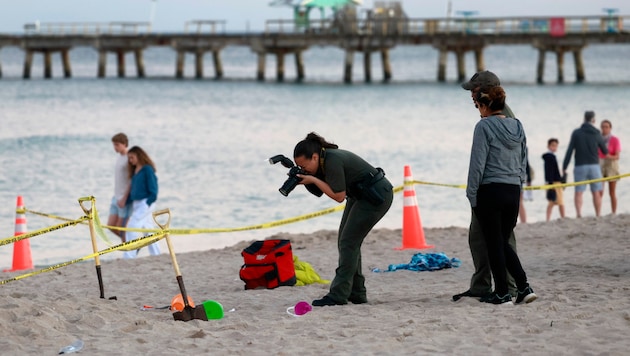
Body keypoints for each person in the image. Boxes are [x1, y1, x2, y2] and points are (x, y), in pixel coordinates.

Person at [291, 132, 393, 306]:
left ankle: (338, 295)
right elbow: (321, 191)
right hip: (359, 196)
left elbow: (338, 196)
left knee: (348, 242)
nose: (303, 169)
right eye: (299, 166)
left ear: (314, 157)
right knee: (346, 242)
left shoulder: (332, 160)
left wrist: (313, 179)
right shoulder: (322, 161)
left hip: (376, 196)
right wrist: (306, 179)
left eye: (304, 165)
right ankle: (357, 293)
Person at [466, 85, 537, 305]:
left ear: (486, 105)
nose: (478, 109)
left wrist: (471, 194)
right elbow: (523, 159)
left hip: (491, 191)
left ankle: (504, 293)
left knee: (495, 242)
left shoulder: (483, 126)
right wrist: (519, 186)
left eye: (478, 105)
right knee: (502, 241)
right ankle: (522, 288)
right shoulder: (517, 125)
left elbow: (477, 165)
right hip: (512, 191)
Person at [453, 70, 518, 302]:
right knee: (478, 238)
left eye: (473, 90)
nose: (470, 94)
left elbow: (483, 160)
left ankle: (509, 287)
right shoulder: (492, 115)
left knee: (502, 239)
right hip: (496, 188)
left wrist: (473, 193)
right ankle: (482, 285)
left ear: (484, 91)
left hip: (492, 190)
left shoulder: (497, 118)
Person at [562, 111, 608, 218]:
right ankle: (598, 214)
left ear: (584, 119)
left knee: (579, 192)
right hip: (594, 166)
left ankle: (578, 214)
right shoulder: (597, 132)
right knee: (596, 192)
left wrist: (564, 166)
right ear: (594, 120)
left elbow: (570, 150)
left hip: (580, 166)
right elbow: (605, 151)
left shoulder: (576, 133)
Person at [123, 146, 161, 259]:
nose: (130, 160)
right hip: (137, 203)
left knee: (132, 227)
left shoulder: (147, 169)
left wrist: (148, 202)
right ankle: (157, 254)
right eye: (129, 158)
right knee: (148, 230)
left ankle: (129, 255)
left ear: (139, 156)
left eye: (132, 157)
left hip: (145, 202)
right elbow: (135, 190)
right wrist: (126, 201)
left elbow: (153, 188)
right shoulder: (135, 172)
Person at [107, 133, 131, 242]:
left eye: (117, 145)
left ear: (124, 144)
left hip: (123, 198)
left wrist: (125, 198)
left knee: (122, 228)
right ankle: (132, 245)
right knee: (111, 225)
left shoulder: (129, 158)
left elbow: (132, 180)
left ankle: (129, 252)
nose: (114, 147)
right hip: (116, 196)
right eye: (113, 145)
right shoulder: (119, 157)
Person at [598, 119, 621, 214]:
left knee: (612, 192)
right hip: (600, 164)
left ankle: (613, 212)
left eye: (606, 127)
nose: (604, 129)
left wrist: (609, 156)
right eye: (603, 127)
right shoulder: (598, 139)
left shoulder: (615, 140)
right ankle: (598, 212)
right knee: (600, 191)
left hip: (611, 165)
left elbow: (617, 156)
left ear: (610, 128)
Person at [542, 138, 566, 221]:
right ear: (548, 146)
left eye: (556, 146)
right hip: (554, 182)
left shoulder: (549, 157)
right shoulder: (550, 157)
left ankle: (548, 219)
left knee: (552, 202)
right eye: (553, 145)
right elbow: (551, 171)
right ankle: (563, 217)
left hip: (551, 181)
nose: (554, 147)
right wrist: (551, 183)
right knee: (560, 202)